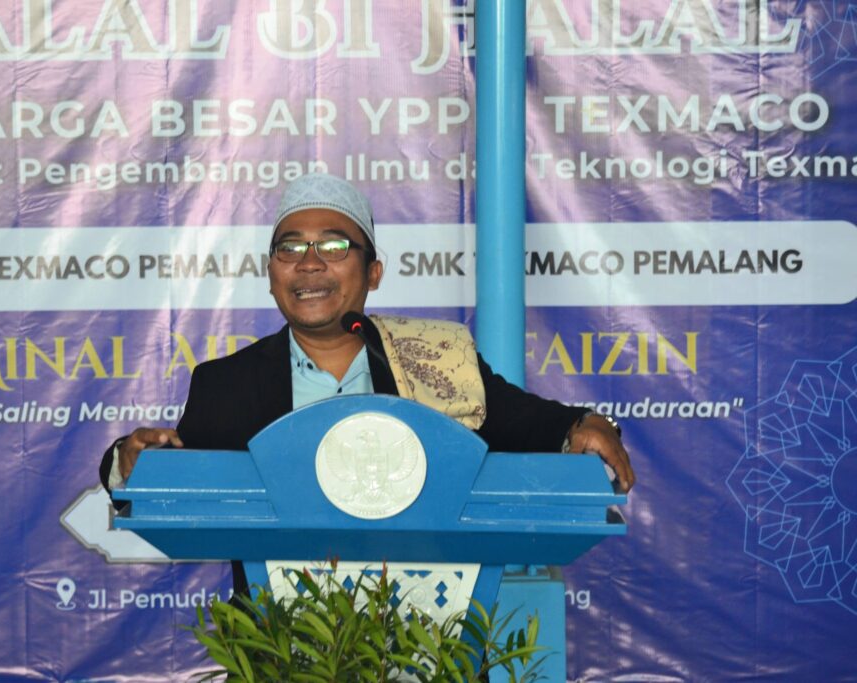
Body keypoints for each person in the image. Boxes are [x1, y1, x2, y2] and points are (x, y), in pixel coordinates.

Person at [100, 171, 634, 500]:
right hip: (278, 638)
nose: (310, 263)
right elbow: (172, 475)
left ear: (373, 272)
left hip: (425, 627)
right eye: (290, 248)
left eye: (334, 247)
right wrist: (129, 460)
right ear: (271, 274)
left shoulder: (435, 360)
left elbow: (533, 423)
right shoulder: (227, 384)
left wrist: (587, 424)